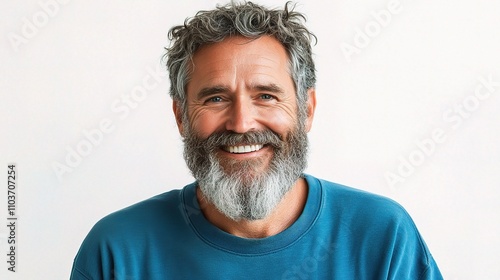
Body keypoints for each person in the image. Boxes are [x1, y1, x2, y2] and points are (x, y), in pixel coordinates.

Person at [70, 1, 443, 279]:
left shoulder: (382, 235)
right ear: (181, 116)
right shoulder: (117, 251)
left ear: (306, 109)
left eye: (266, 95)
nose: (241, 123)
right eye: (216, 98)